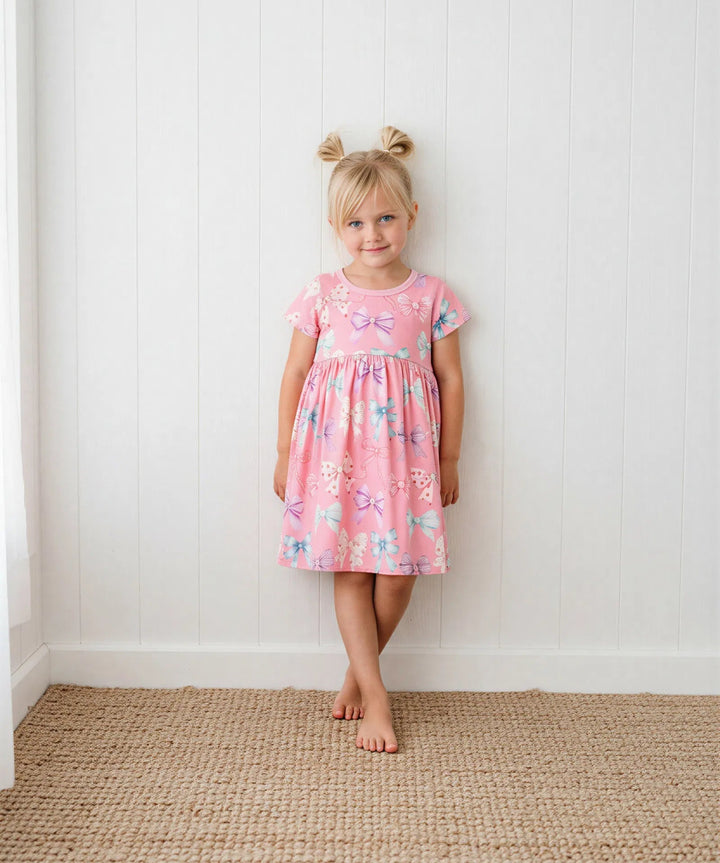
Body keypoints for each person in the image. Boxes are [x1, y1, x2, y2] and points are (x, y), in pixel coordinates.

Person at [273, 126, 469, 753]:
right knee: (352, 571)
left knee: (399, 574)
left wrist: (450, 457)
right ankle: (378, 695)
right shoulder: (322, 293)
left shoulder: (431, 296)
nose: (373, 234)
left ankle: (358, 675)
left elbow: (451, 379)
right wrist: (284, 452)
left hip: (407, 462)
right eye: (356, 223)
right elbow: (297, 372)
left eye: (386, 218)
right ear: (337, 226)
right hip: (335, 459)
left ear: (412, 215)